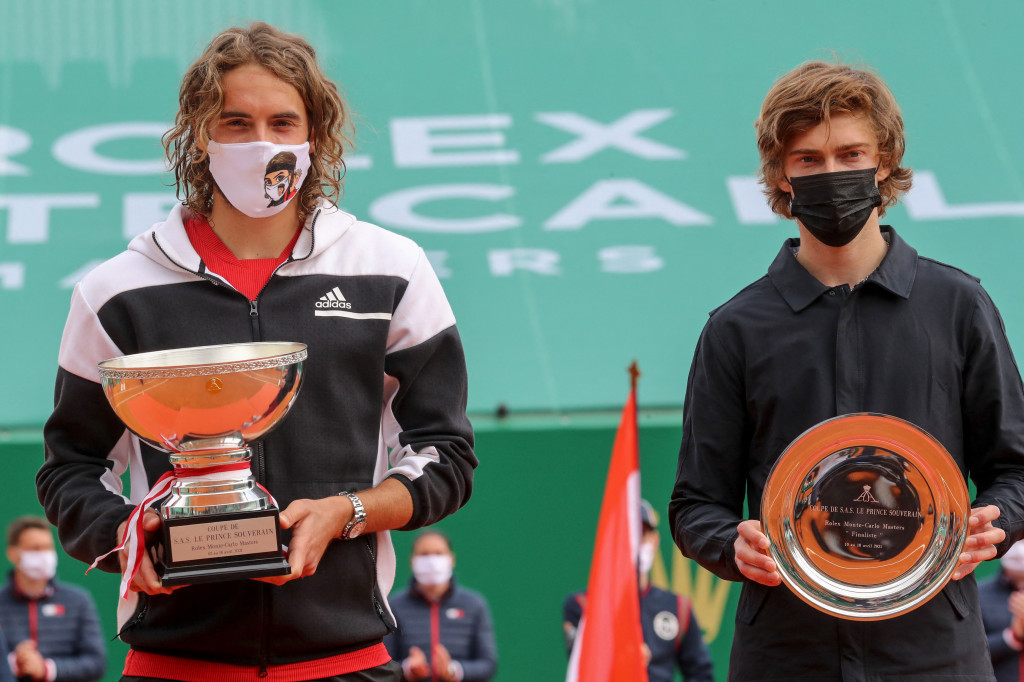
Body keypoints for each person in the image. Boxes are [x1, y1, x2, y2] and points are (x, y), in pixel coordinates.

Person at [36, 22, 476, 682]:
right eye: (236, 122)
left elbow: (447, 454)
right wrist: (127, 536)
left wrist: (346, 514)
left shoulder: (390, 268)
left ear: (314, 137)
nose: (261, 142)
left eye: (282, 121)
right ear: (199, 134)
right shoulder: (116, 290)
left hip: (348, 658)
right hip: (173, 661)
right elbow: (70, 468)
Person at [668, 59, 1024, 680]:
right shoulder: (735, 328)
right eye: (808, 159)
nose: (832, 173)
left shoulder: (959, 306)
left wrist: (993, 523)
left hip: (937, 649)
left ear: (883, 161)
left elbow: (1015, 470)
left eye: (850, 153)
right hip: (786, 652)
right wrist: (732, 547)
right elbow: (696, 503)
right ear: (782, 173)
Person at [563, 501, 713, 682]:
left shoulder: (678, 607)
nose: (632, 543)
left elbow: (700, 673)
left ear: (654, 540)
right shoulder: (583, 605)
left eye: (640, 533)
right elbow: (581, 663)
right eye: (625, 533)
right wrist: (622, 656)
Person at [0, 517, 105, 682]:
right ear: (13, 554)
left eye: (47, 548)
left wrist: (46, 669)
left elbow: (96, 663)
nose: (43, 554)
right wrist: (12, 664)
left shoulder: (78, 600)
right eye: (35, 548)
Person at [384, 531, 496, 682]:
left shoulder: (474, 605)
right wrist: (408, 669)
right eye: (424, 554)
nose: (431, 561)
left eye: (438, 553)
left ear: (451, 559)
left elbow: (488, 664)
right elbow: (385, 665)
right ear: (412, 561)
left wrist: (455, 671)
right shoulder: (394, 605)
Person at [980, 541, 1024, 681]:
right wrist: (1013, 636)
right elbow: (969, 652)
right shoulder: (979, 594)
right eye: (1016, 540)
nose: (1018, 548)